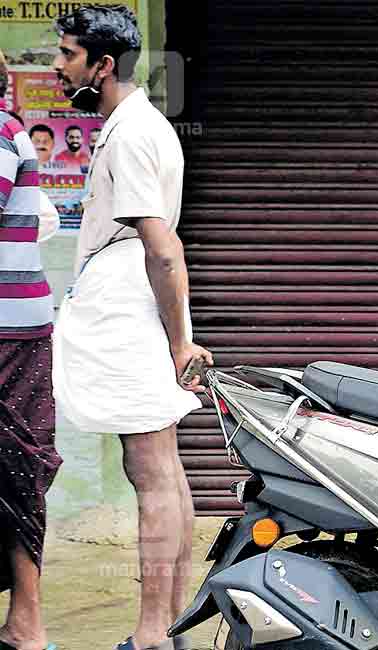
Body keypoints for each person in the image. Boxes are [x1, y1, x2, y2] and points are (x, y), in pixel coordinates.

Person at [49, 7, 212, 650]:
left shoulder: (135, 131)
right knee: (163, 469)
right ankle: (166, 629)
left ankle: (149, 636)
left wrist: (177, 341)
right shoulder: (133, 125)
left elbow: (162, 249)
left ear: (103, 65)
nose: (59, 69)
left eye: (68, 55)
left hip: (133, 306)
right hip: (132, 302)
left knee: (150, 471)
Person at [0, 49, 62, 650]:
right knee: (19, 469)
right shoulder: (12, 128)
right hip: (19, 327)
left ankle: (27, 626)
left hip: (7, 333)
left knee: (18, 470)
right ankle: (25, 623)